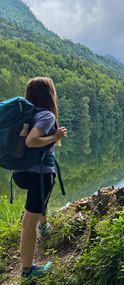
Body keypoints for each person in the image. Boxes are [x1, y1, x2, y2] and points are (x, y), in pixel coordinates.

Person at [11, 77, 68, 279]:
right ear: (49, 94)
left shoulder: (27, 113)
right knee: (28, 222)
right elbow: (31, 141)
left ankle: (43, 225)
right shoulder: (46, 115)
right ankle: (28, 271)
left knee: (41, 198)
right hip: (38, 173)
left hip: (21, 172)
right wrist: (55, 137)